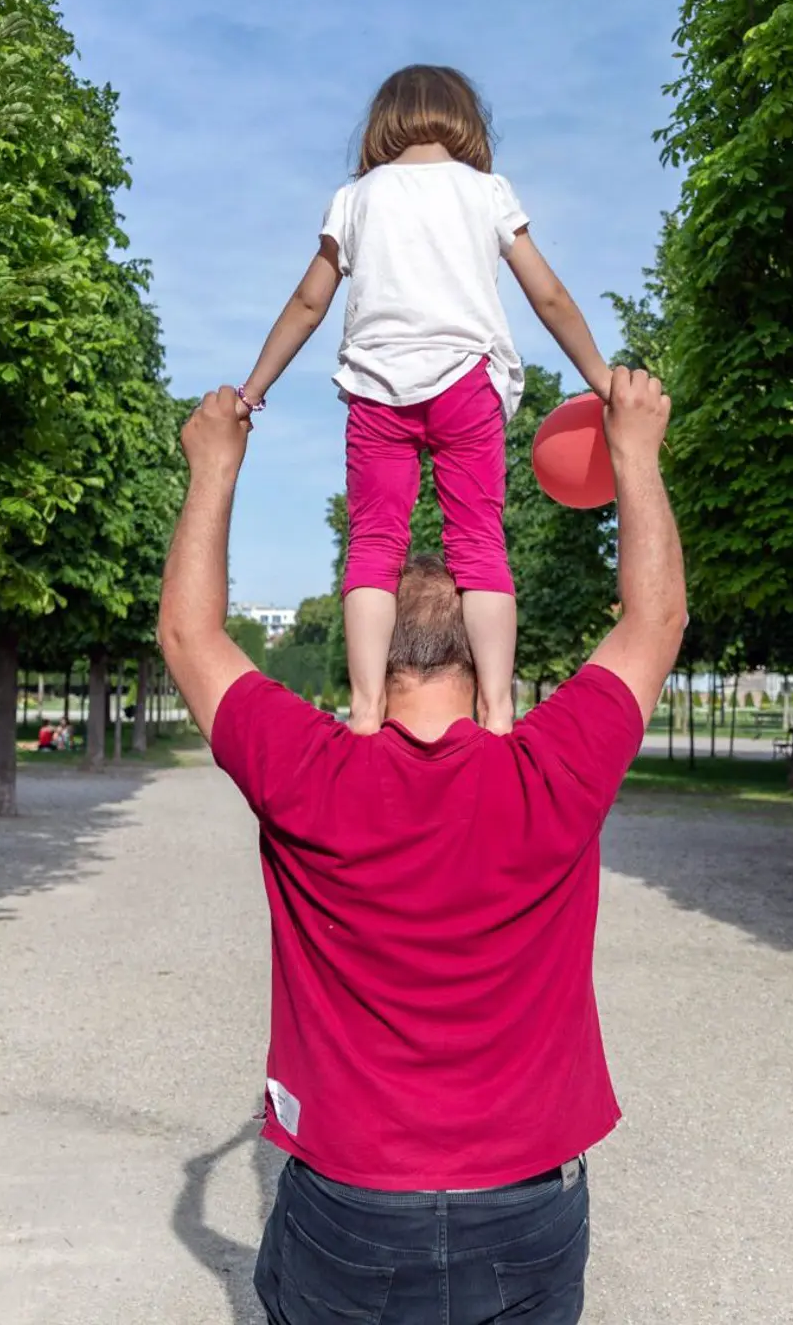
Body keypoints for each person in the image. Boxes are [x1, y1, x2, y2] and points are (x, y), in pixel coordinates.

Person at [158, 371, 683, 1325]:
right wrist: (637, 456)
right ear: (486, 657)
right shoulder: (551, 770)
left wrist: (214, 466)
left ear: (368, 652)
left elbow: (191, 635)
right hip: (527, 1203)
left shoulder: (311, 774)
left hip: (351, 1205)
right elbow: (655, 620)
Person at [235, 65, 619, 737]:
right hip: (465, 381)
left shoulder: (355, 199)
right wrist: (601, 376)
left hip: (376, 388)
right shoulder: (487, 192)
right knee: (479, 544)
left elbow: (308, 302)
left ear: (383, 123)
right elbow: (548, 294)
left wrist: (253, 391)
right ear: (467, 122)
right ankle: (498, 711)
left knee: (373, 547)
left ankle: (364, 711)